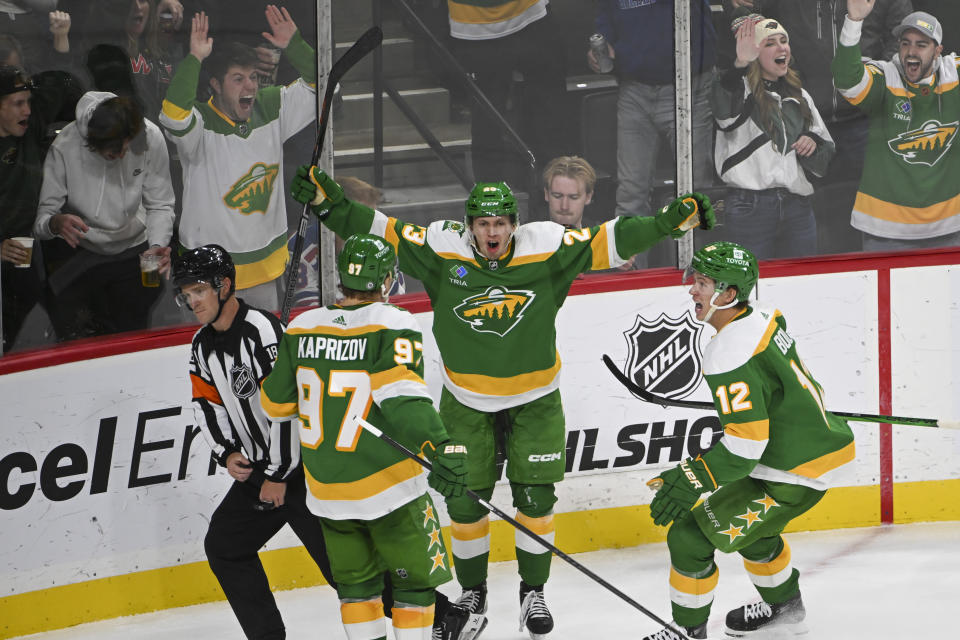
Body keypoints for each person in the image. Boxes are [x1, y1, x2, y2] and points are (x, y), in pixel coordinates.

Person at [289, 165, 716, 638]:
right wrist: (331, 207)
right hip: (466, 400)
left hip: (536, 400)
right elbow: (380, 229)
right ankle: (474, 592)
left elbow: (609, 239)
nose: (491, 233)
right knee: (467, 506)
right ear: (469, 225)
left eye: (500, 224)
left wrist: (666, 222)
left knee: (536, 500)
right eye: (482, 224)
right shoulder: (440, 247)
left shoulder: (547, 245)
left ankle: (533, 592)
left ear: (514, 224)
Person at [259, 233, 486, 640]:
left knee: (357, 593)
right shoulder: (392, 322)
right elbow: (402, 399)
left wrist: (286, 355)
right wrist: (440, 444)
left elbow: (274, 406)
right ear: (386, 280)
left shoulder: (302, 325)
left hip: (328, 494)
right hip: (389, 490)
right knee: (415, 587)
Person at [640, 240, 856, 640]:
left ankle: (688, 633)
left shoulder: (729, 352)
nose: (692, 290)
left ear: (728, 294)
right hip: (810, 447)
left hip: (794, 470)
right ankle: (785, 609)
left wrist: (694, 476)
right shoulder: (763, 316)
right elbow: (779, 371)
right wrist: (793, 405)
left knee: (688, 537)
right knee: (753, 532)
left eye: (702, 283)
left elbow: (744, 448)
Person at [172, 244, 337, 640]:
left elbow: (287, 410)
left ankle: (443, 616)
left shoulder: (264, 333)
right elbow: (207, 405)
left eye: (199, 291)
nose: (192, 301)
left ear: (224, 285)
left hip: (300, 471)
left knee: (344, 573)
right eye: (187, 294)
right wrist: (226, 452)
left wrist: (279, 474)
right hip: (259, 473)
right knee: (225, 545)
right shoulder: (201, 346)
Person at [721, 0, 913, 256]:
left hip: (866, 119)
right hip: (806, 116)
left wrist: (873, 83)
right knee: (815, 217)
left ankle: (861, 283)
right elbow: (750, 14)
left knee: (870, 214)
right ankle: (826, 288)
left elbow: (903, 37)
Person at [160, 6, 317, 311]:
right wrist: (194, 58)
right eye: (238, 79)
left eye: (254, 77)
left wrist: (294, 44)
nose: (250, 87)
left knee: (264, 353)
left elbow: (324, 85)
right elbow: (173, 115)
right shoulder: (200, 124)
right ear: (216, 86)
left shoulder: (271, 107)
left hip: (264, 272)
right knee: (206, 354)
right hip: (208, 274)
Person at [33, 90, 174, 341]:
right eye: (112, 154)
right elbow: (42, 218)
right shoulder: (65, 146)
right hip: (83, 248)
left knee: (134, 332)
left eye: (127, 149)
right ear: (91, 145)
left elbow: (161, 203)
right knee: (73, 329)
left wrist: (158, 244)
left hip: (138, 249)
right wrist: (55, 223)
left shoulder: (150, 136)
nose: (122, 157)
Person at [588, 0, 717, 268]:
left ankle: (699, 275)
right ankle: (632, 284)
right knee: (630, 194)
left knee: (695, 192)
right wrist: (600, 51)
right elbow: (605, 20)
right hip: (634, 89)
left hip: (688, 85)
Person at [833, 2, 960, 250]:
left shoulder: (953, 74)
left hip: (949, 227)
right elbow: (846, 80)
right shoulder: (886, 76)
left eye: (921, 45)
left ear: (938, 51)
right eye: (905, 43)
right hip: (885, 230)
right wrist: (854, 21)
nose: (911, 52)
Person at [711, 16, 835, 260]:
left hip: (797, 206)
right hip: (750, 207)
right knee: (748, 290)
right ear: (754, 53)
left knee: (801, 285)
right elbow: (724, 115)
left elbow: (826, 152)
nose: (782, 48)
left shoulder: (801, 96)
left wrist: (812, 143)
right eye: (770, 43)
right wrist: (739, 64)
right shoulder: (738, 88)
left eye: (784, 41)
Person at [446, 0, 568, 193]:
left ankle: (560, 199)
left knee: (551, 119)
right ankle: (490, 203)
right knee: (486, 124)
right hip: (473, 29)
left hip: (532, 16)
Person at [542, 155, 595, 230]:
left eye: (573, 197)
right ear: (546, 194)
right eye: (557, 196)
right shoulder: (527, 236)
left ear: (588, 197)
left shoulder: (600, 237)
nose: (564, 207)